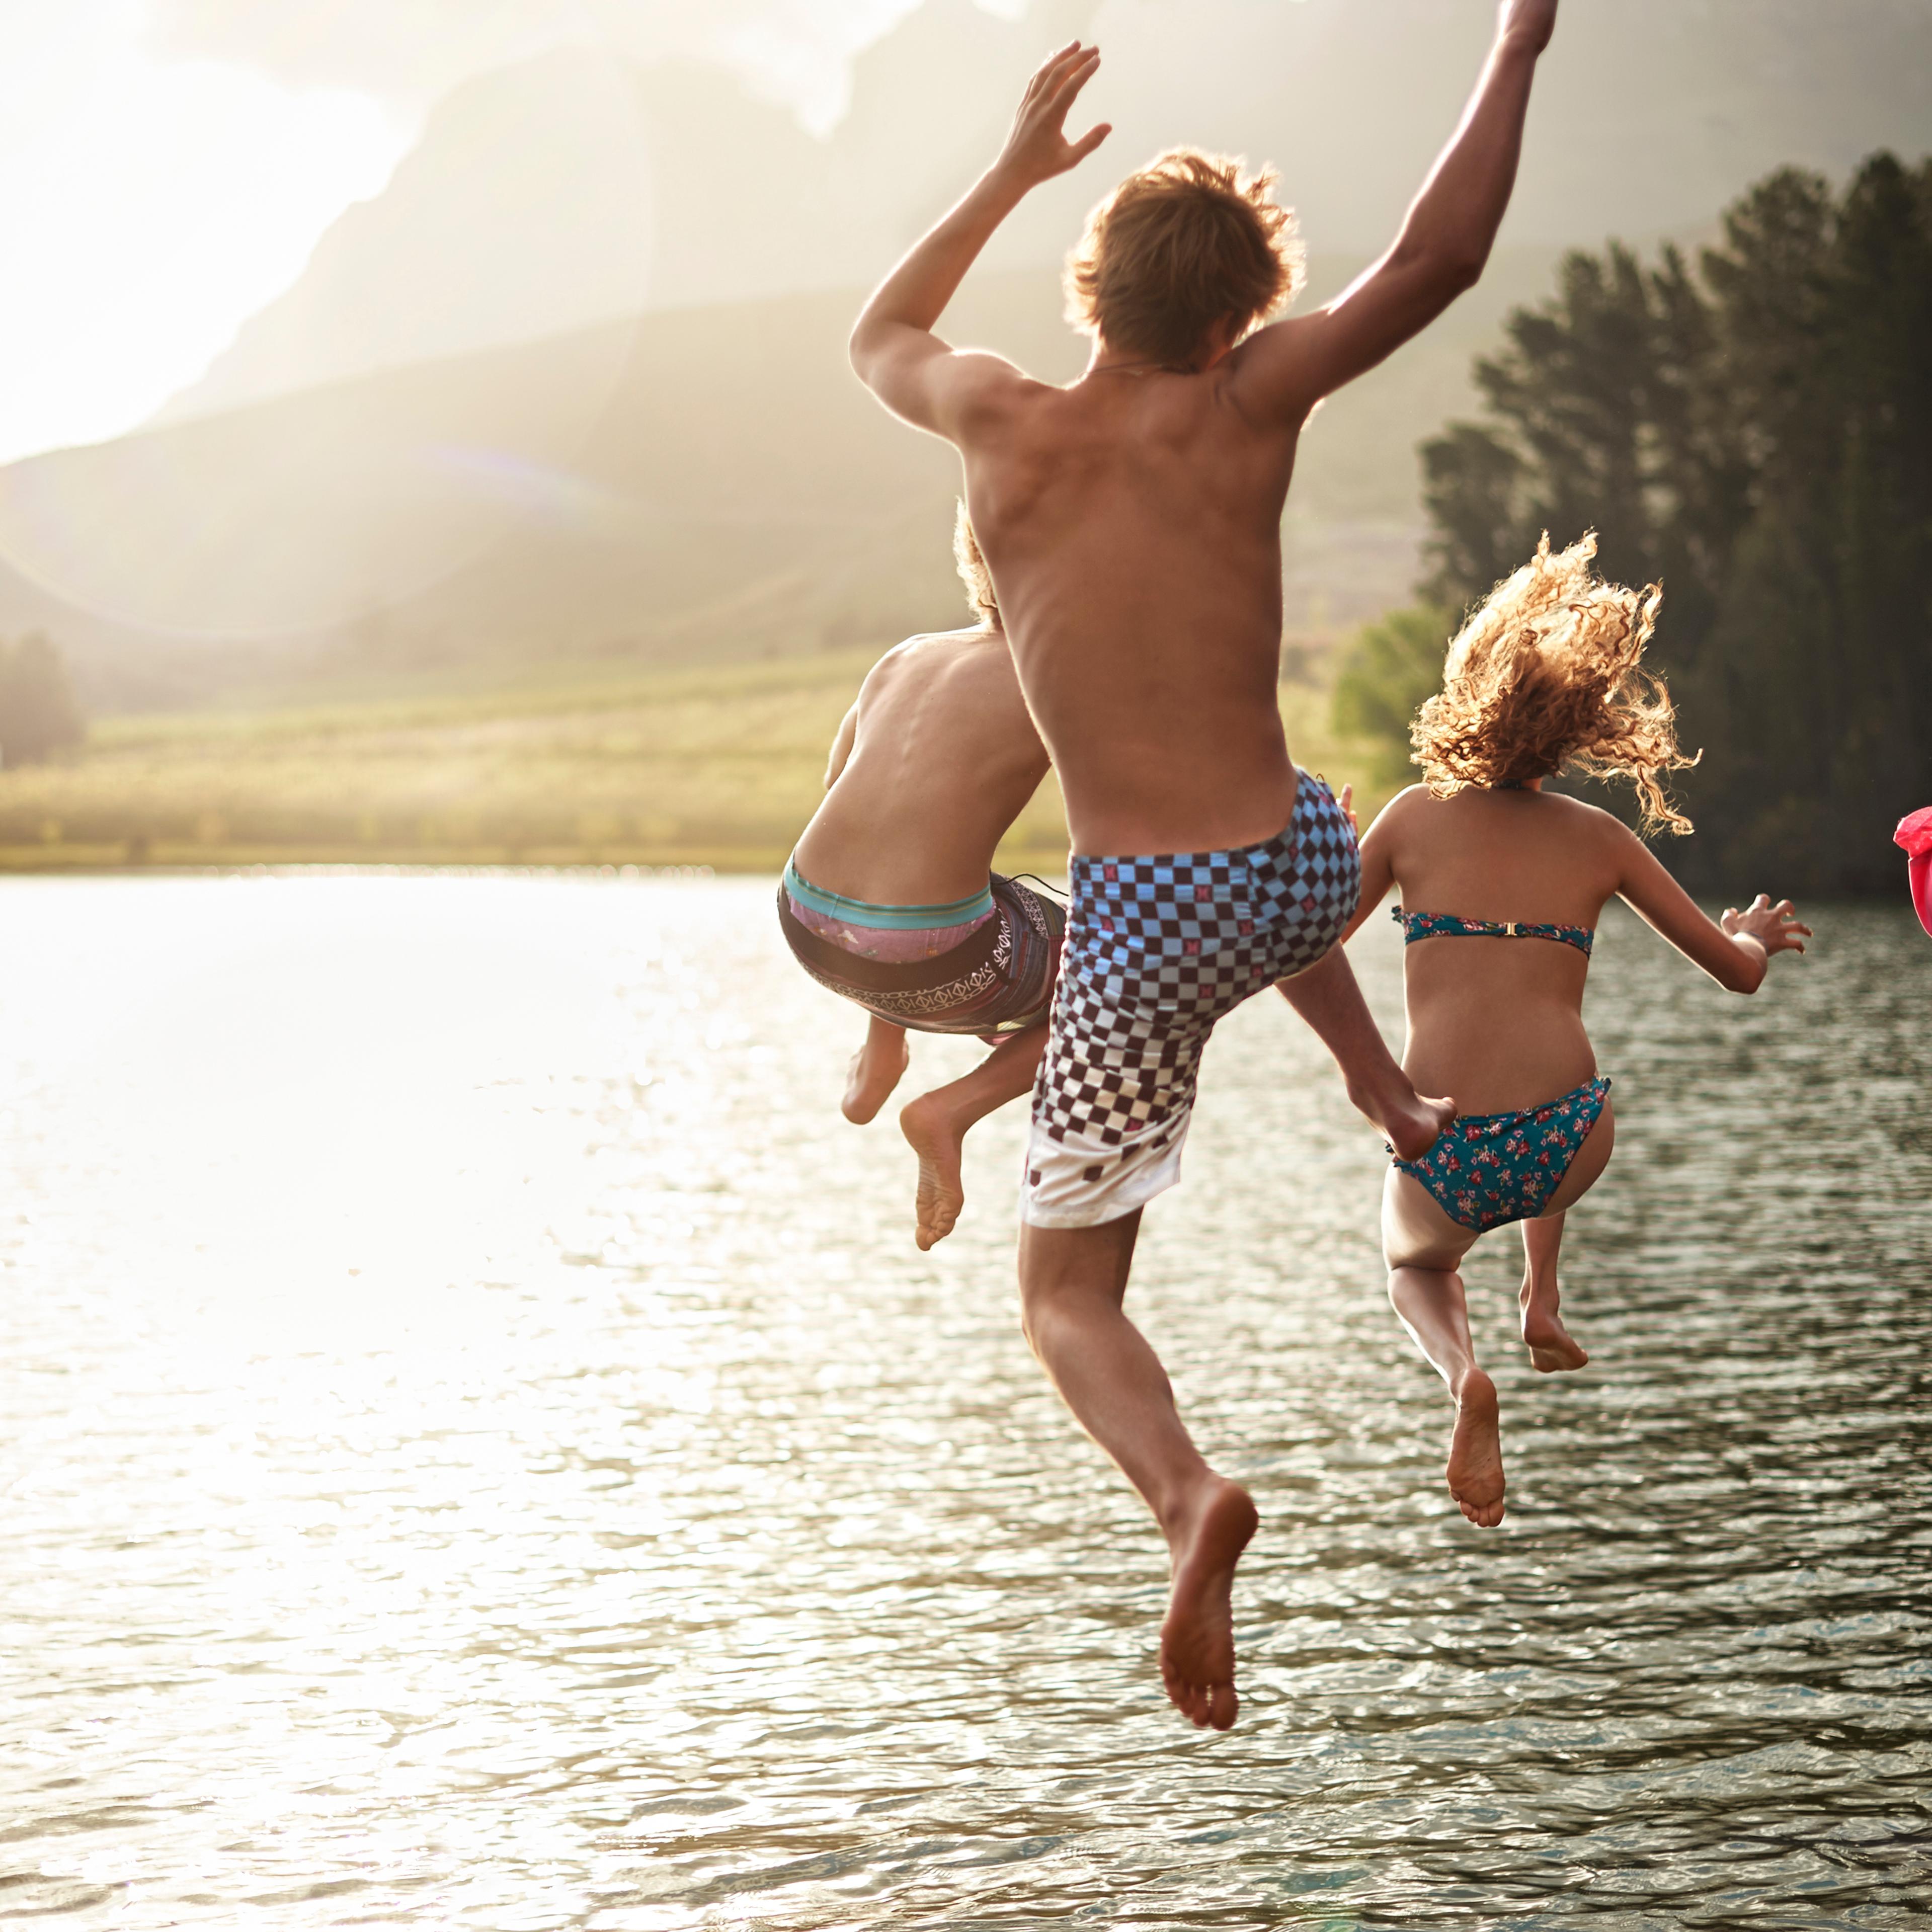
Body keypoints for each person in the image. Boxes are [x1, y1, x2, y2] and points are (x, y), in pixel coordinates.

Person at [848, 1, 1561, 1729]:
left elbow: (881, 331)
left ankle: (1190, 1502)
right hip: (1302, 862)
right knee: (1284, 874)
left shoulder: (1003, 425)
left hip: (1150, 910)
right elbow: (1439, 258)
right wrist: (1520, 43)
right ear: (1245, 312)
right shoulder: (1253, 402)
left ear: (1093, 286)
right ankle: (1386, 1096)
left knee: (1064, 1286)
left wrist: (1014, 167)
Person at [1340, 534, 1809, 1528]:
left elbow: (1309, 940)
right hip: (1570, 1141)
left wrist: (1324, 857)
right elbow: (1736, 978)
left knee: (1415, 1265)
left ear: (1469, 695)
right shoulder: (1602, 841)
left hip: (1442, 1147)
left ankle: (1464, 1372)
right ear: (1580, 729)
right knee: (1548, 1106)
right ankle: (1540, 1300)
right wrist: (1750, 936)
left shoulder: (1414, 818)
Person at [781, 508, 1062, 1251]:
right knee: (1130, 971)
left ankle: (882, 1049)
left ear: (975, 562)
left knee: (928, 872)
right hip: (932, 955)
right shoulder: (1060, 676)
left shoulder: (906, 655)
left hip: (805, 919)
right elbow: (1132, 831)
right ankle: (952, 1109)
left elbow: (841, 785)